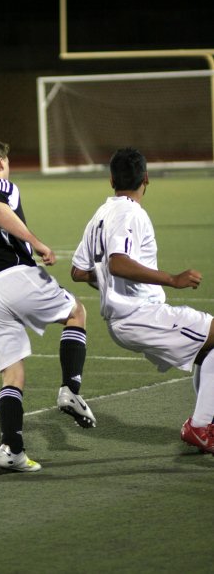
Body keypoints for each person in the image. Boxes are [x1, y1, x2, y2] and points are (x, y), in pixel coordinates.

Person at [0, 136, 96, 473]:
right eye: (7, 162)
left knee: (12, 374)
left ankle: (11, 449)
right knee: (76, 312)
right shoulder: (0, 185)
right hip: (15, 274)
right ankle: (70, 390)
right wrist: (36, 242)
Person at [71, 147, 214, 454]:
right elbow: (118, 263)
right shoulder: (129, 212)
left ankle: (205, 423)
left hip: (127, 317)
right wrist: (172, 279)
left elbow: (79, 271)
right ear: (146, 178)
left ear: (111, 180)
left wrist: (109, 285)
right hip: (140, 315)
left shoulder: (101, 214)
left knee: (207, 345)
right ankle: (201, 426)